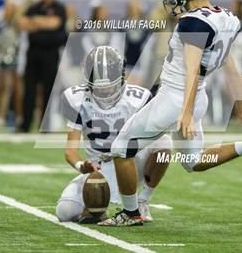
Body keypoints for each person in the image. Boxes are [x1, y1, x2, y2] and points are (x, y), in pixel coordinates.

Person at [99, 0, 242, 227]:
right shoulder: (227, 17)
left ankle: (130, 213)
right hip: (197, 97)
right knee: (194, 162)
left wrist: (186, 113)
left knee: (121, 150)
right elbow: (230, 66)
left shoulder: (193, 22)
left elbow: (191, 70)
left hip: (177, 98)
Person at [56, 46, 171, 223]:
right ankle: (99, 206)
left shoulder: (138, 98)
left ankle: (142, 201)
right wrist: (82, 166)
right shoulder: (75, 99)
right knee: (65, 212)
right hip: (99, 170)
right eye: (99, 87)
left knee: (163, 143)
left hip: (131, 164)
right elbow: (70, 151)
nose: (104, 92)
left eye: (109, 86)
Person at [18, 0, 67, 132]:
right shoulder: (34, 7)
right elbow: (22, 23)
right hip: (33, 53)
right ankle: (25, 124)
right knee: (29, 90)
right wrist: (44, 22)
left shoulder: (59, 8)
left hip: (50, 54)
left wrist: (36, 22)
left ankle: (45, 125)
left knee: (48, 90)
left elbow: (56, 23)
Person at [0, 0, 23, 127]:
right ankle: (0, 115)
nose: (8, 11)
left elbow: (23, 42)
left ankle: (19, 115)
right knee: (2, 88)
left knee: (17, 90)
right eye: (7, 8)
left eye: (11, 8)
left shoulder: (19, 25)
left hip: (17, 60)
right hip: (2, 60)